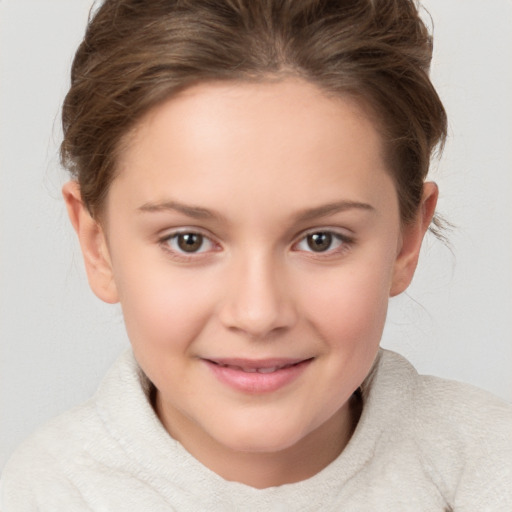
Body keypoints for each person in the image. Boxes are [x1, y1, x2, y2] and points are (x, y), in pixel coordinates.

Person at [2, 0, 511, 510]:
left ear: (406, 241)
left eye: (321, 240)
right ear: (99, 246)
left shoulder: (488, 471)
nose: (258, 314)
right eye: (189, 241)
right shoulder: (42, 495)